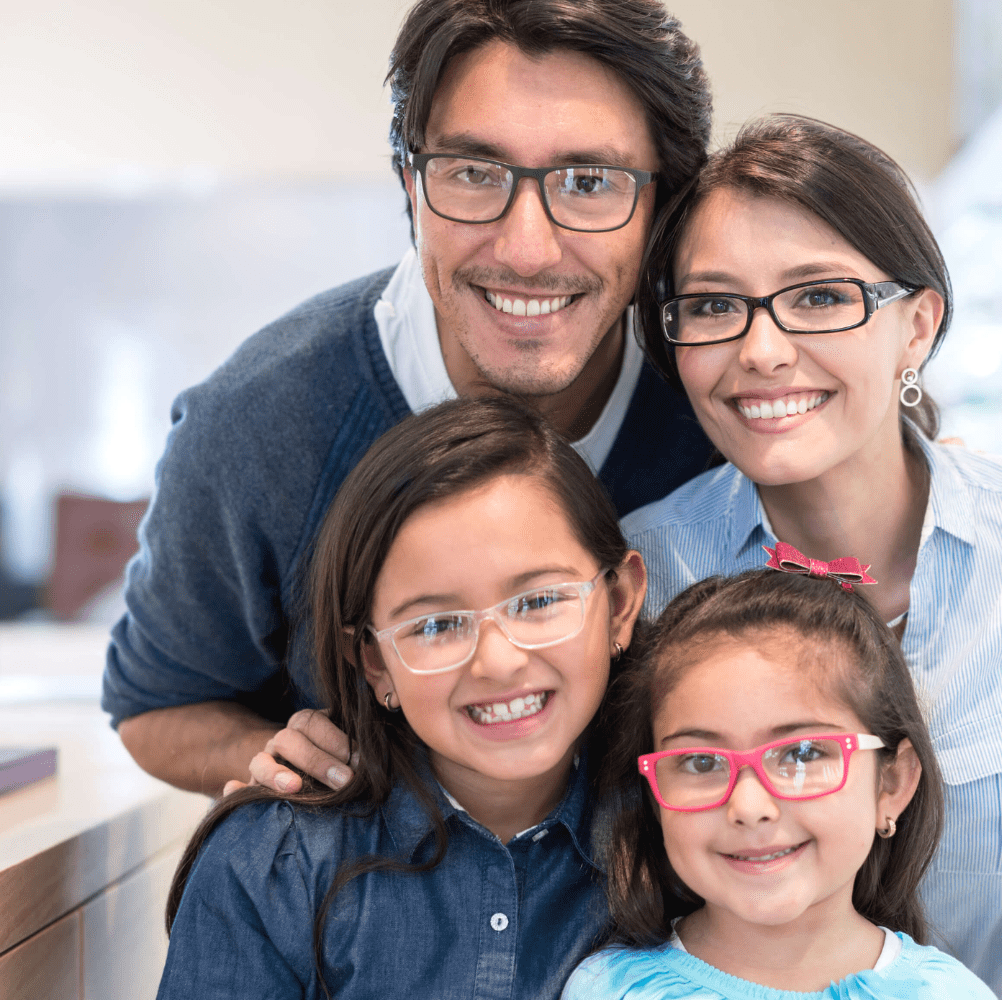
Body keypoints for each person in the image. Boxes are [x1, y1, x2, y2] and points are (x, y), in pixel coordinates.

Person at [619, 114, 1002, 998]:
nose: (761, 351)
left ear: (917, 328)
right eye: (716, 307)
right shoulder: (642, 572)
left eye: (819, 297)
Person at [103, 0, 714, 797]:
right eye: (472, 173)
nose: (527, 249)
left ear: (664, 207)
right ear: (410, 185)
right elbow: (158, 704)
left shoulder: (721, 394)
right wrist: (286, 758)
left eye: (590, 181)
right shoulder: (259, 425)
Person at [158, 394, 647, 999]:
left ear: (620, 604)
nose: (497, 661)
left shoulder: (689, 833)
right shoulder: (273, 863)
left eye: (539, 601)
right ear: (374, 662)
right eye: (436, 626)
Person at [562, 569, 997, 1000]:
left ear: (892, 783)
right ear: (654, 796)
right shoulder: (609, 990)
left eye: (802, 754)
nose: (749, 806)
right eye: (700, 762)